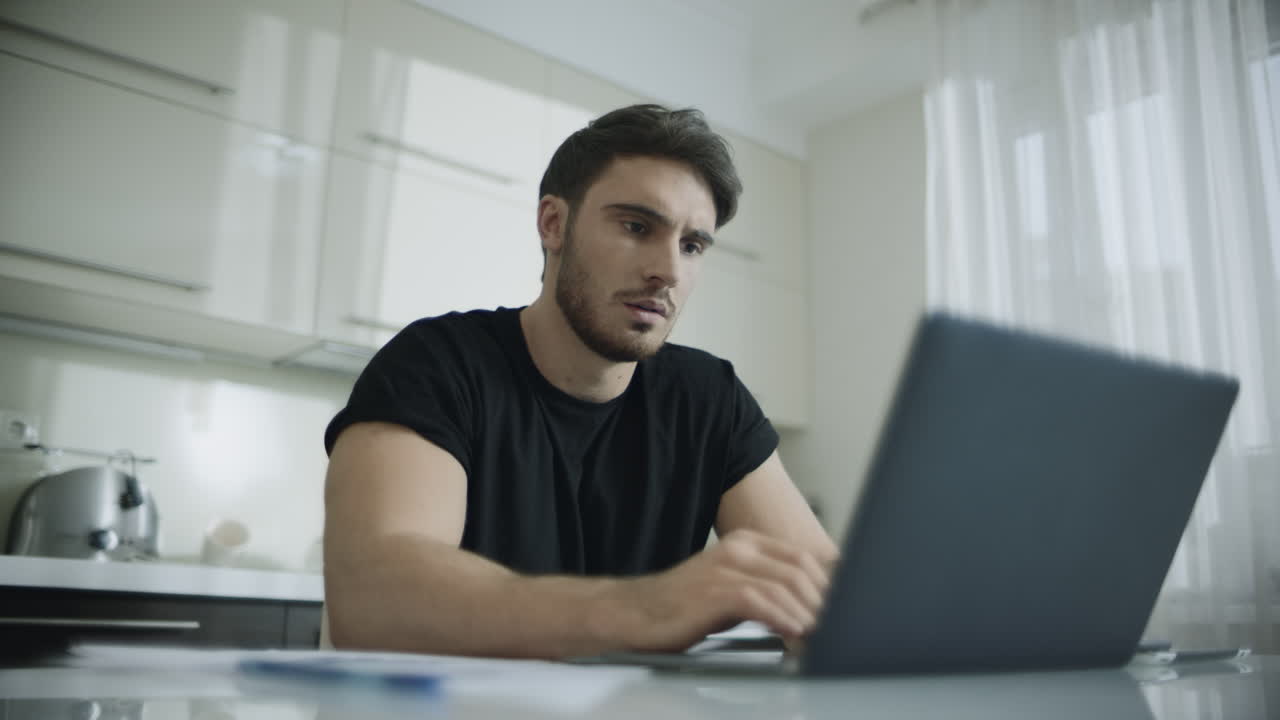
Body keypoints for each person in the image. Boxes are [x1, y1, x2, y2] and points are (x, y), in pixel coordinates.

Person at [323, 104, 837, 659]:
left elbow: (828, 599)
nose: (668, 269)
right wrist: (650, 607)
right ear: (553, 224)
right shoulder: (436, 365)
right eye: (637, 227)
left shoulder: (710, 399)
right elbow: (373, 603)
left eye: (691, 246)